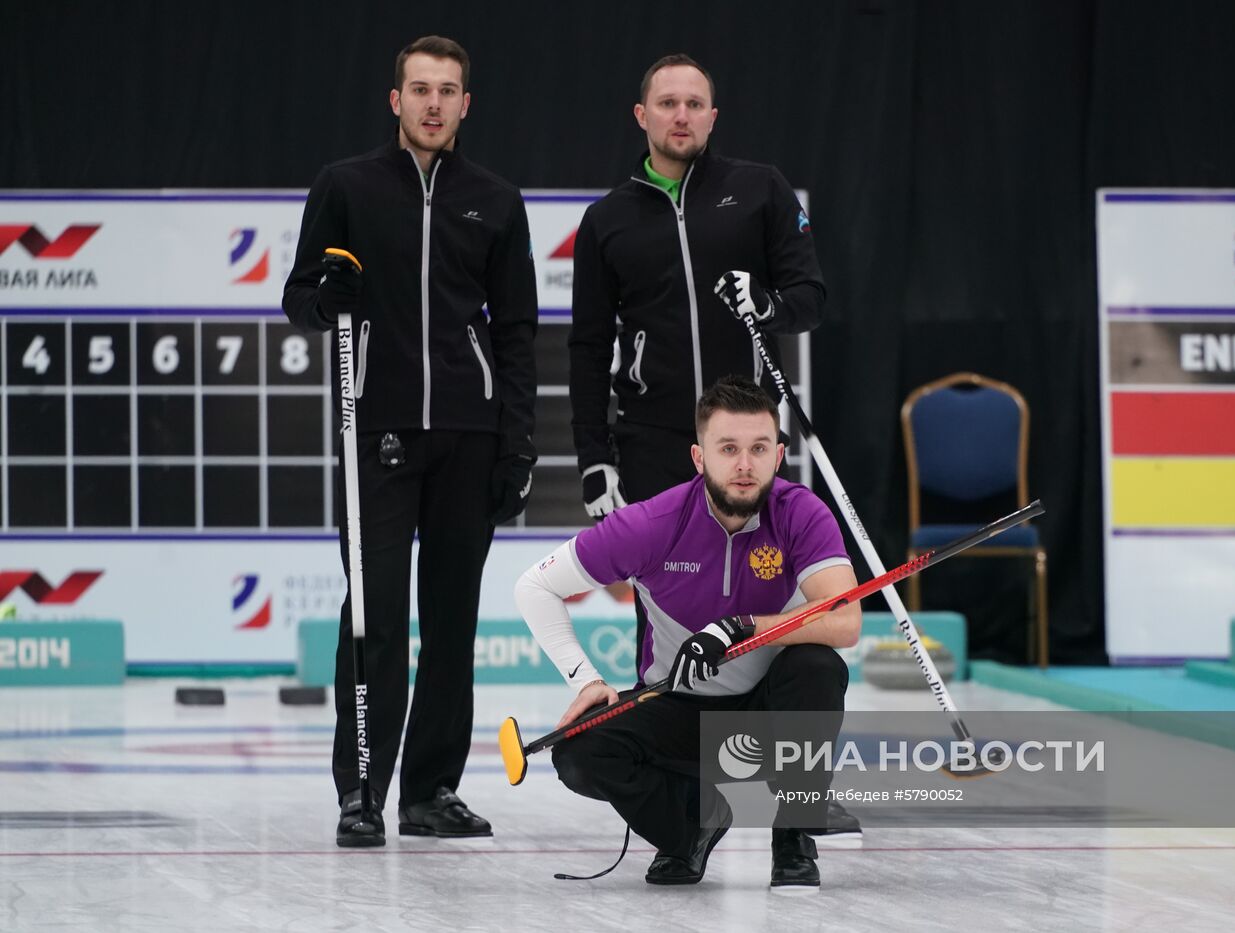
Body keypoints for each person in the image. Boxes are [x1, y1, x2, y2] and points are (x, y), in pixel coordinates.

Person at [567, 51, 863, 841]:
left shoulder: (759, 188)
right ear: (643, 116)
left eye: (696, 103)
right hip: (656, 439)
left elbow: (810, 298)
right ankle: (678, 785)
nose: (682, 116)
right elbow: (587, 345)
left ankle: (793, 782)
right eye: (667, 103)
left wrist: (764, 300)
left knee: (780, 609)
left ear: (713, 115)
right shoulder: (608, 220)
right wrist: (592, 453)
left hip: (742, 438)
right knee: (660, 614)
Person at [283, 35, 538, 847]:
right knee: (376, 618)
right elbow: (299, 300)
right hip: (379, 432)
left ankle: (431, 791)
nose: (434, 103)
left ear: (467, 104)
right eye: (420, 89)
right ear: (396, 100)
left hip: (470, 434)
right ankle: (361, 790)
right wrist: (330, 298)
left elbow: (519, 332)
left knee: (453, 619)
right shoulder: (346, 186)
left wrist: (517, 442)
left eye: (449, 90)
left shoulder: (495, 199)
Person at [514, 376, 858, 889]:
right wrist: (584, 680)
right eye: (728, 449)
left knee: (816, 665)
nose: (745, 465)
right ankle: (690, 829)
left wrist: (743, 627)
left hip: (767, 708)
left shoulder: (800, 513)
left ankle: (792, 833)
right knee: (578, 754)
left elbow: (844, 621)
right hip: (677, 707)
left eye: (759, 448)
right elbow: (534, 586)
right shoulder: (652, 523)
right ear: (699, 458)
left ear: (779, 454)